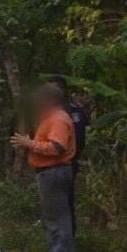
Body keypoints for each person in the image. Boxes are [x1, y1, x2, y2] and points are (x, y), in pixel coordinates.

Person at [10, 84, 77, 252]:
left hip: (54, 171)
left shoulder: (57, 119)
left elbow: (57, 147)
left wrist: (28, 143)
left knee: (56, 216)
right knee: (54, 215)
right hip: (50, 172)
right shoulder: (51, 118)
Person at [47, 75, 88, 237]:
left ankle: (67, 244)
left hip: (64, 164)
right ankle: (58, 243)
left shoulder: (71, 111)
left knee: (64, 203)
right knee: (53, 206)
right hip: (48, 166)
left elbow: (79, 138)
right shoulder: (49, 110)